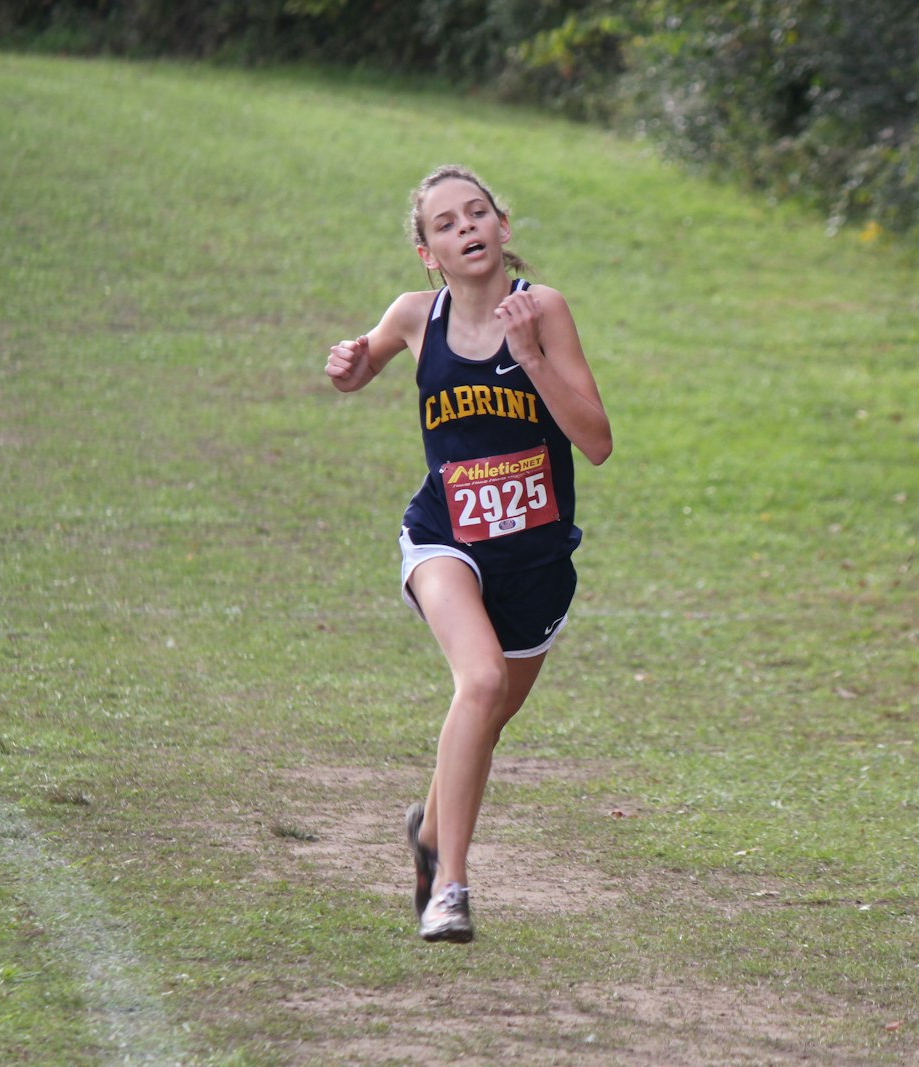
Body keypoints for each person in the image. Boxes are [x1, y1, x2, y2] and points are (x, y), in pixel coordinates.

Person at [325, 164, 613, 942]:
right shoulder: (418, 316)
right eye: (446, 224)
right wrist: (351, 368)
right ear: (429, 254)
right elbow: (366, 360)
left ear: (503, 227)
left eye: (477, 213)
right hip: (445, 537)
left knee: (486, 714)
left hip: (535, 556)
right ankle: (449, 884)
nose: (466, 229)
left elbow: (596, 441)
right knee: (479, 679)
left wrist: (533, 357)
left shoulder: (543, 311)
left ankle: (427, 833)